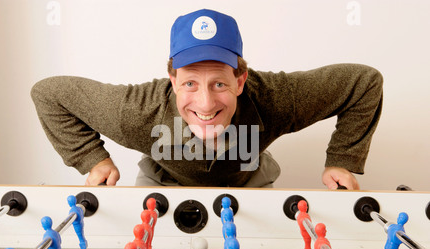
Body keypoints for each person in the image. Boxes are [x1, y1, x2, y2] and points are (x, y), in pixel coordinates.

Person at [31, 9, 383, 189]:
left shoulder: (277, 99)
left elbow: (364, 82)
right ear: (172, 80)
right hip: (162, 183)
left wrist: (342, 160)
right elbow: (49, 94)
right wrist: (92, 159)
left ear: (241, 80)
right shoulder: (135, 112)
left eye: (218, 84)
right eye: (189, 84)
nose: (204, 103)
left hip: (249, 181)